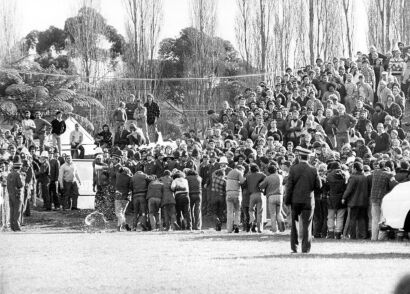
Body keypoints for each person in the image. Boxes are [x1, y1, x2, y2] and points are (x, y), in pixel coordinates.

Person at [285, 146, 321, 253]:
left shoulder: (293, 168)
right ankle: (305, 248)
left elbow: (289, 186)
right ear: (308, 157)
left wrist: (287, 200)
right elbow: (318, 186)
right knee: (307, 225)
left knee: (294, 225)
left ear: (299, 157)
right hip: (308, 200)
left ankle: (294, 247)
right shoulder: (313, 169)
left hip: (295, 200)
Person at [342, 162, 369, 239]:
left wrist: (344, 197)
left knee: (352, 219)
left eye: (352, 168)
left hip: (354, 201)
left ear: (355, 168)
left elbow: (349, 189)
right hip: (363, 201)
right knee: (361, 219)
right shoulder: (364, 177)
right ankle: (362, 235)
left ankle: (353, 236)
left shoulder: (353, 177)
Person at [259, 163, 285, 233]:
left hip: (271, 196)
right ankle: (282, 227)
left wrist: (260, 184)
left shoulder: (268, 178)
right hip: (280, 196)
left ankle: (274, 229)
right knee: (279, 213)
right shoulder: (280, 176)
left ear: (269, 171)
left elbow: (262, 186)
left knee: (273, 214)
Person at [246, 163, 266, 233]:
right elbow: (266, 180)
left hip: (252, 195)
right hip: (259, 194)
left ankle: (252, 221)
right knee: (259, 212)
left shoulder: (248, 176)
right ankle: (259, 228)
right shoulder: (261, 174)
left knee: (251, 210)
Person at [225, 164, 246, 233]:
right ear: (241, 169)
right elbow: (242, 181)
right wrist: (243, 179)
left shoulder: (229, 173)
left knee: (229, 212)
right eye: (243, 171)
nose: (243, 173)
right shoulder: (239, 172)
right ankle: (236, 225)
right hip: (236, 193)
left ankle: (229, 229)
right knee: (237, 211)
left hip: (228, 193)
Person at [7, 156, 24, 231]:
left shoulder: (9, 174)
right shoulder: (18, 174)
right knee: (17, 211)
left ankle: (12, 226)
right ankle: (17, 226)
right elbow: (21, 185)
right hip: (17, 194)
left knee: (12, 210)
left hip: (11, 194)